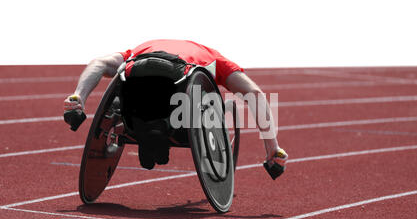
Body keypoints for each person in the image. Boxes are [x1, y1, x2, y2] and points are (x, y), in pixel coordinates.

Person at [64, 39, 288, 179]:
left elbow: (99, 63)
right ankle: (160, 132)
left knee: (130, 91)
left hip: (136, 87)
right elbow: (255, 95)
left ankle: (147, 130)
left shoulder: (143, 46)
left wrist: (78, 97)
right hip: (179, 96)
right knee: (189, 99)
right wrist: (273, 149)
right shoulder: (215, 57)